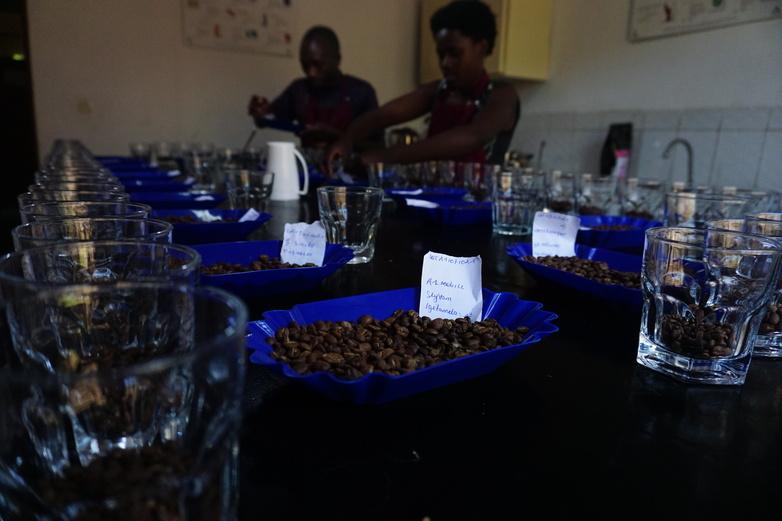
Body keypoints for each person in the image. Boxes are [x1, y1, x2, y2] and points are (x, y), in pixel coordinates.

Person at [327, 0, 519, 167]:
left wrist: (387, 156)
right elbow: (383, 115)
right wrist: (347, 139)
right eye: (441, 54)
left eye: (454, 53)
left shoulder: (502, 94)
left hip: (481, 205)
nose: (445, 63)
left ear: (481, 47)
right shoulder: (440, 90)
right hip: (434, 201)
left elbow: (472, 136)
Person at [248, 26, 381, 150]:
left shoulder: (361, 92)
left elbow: (377, 147)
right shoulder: (299, 90)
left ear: (337, 60)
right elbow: (266, 120)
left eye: (318, 65)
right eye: (305, 65)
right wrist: (260, 112)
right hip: (309, 170)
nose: (311, 72)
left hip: (353, 172)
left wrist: (337, 137)